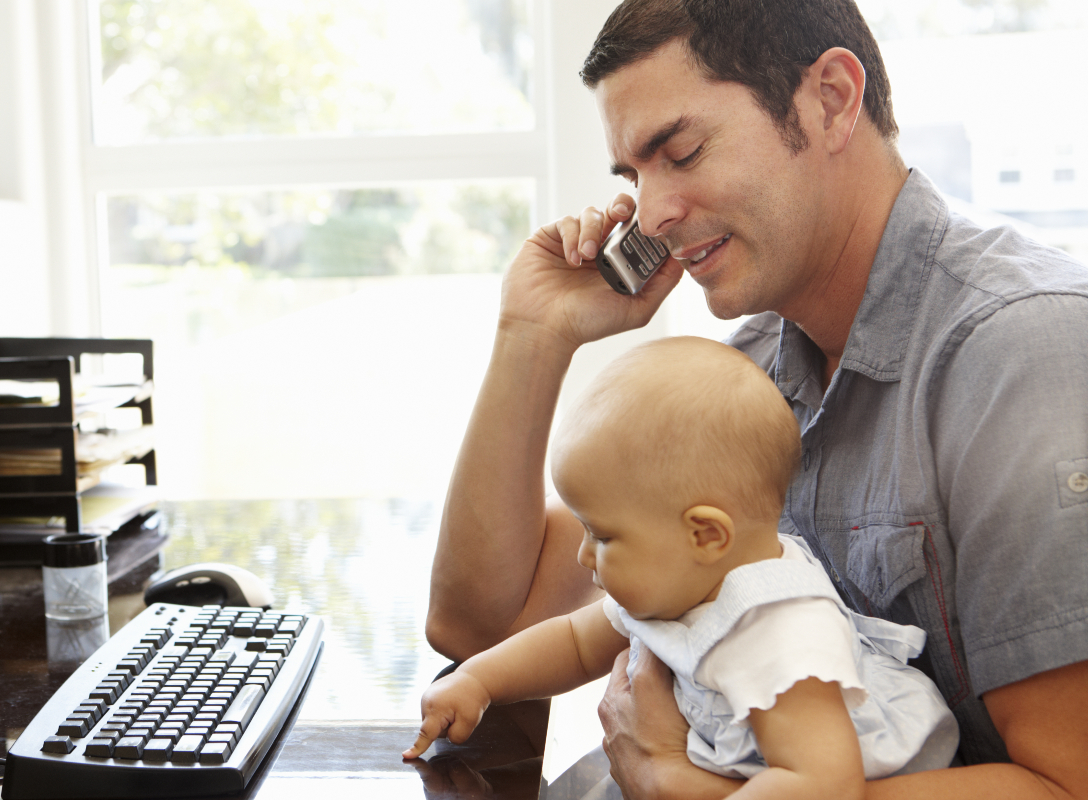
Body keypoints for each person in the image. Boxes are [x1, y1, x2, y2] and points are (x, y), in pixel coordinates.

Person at [424, 0, 1088, 797]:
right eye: (635, 175)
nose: (652, 213)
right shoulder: (760, 362)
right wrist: (533, 336)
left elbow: (1067, 782)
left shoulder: (1025, 359)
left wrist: (677, 784)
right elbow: (481, 623)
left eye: (682, 152)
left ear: (832, 99)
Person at [405, 338, 959, 796]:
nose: (583, 555)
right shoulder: (683, 581)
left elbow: (824, 784)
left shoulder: (781, 637)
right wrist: (478, 680)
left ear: (705, 534)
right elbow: (575, 642)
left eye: (602, 535)